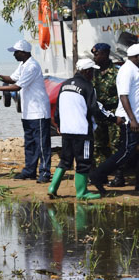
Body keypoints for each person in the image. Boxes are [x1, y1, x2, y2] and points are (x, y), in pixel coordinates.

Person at [49, 59, 119, 200]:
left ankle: (52, 188)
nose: (93, 74)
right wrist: (113, 118)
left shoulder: (65, 85)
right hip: (82, 131)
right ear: (87, 71)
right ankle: (82, 192)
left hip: (66, 130)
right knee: (84, 161)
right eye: (92, 71)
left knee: (65, 160)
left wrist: (58, 124)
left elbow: (58, 108)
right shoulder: (87, 86)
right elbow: (95, 108)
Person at [0, 40, 51, 183]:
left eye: (16, 52)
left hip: (38, 111)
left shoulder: (32, 66)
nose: (14, 54)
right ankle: (29, 170)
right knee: (30, 143)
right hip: (28, 112)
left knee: (42, 144)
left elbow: (17, 86)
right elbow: (12, 78)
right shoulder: (23, 65)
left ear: (24, 52)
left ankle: (45, 172)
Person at [89, 44, 139, 193]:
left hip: (134, 117)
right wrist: (132, 119)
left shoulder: (133, 69)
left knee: (134, 152)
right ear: (136, 56)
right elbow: (123, 96)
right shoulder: (126, 70)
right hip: (128, 118)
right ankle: (98, 175)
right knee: (125, 151)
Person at [91, 43, 124, 187]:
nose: (94, 57)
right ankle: (101, 175)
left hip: (113, 114)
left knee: (116, 146)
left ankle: (119, 176)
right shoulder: (94, 72)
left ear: (105, 54)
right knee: (99, 146)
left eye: (97, 54)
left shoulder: (117, 72)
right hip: (99, 115)